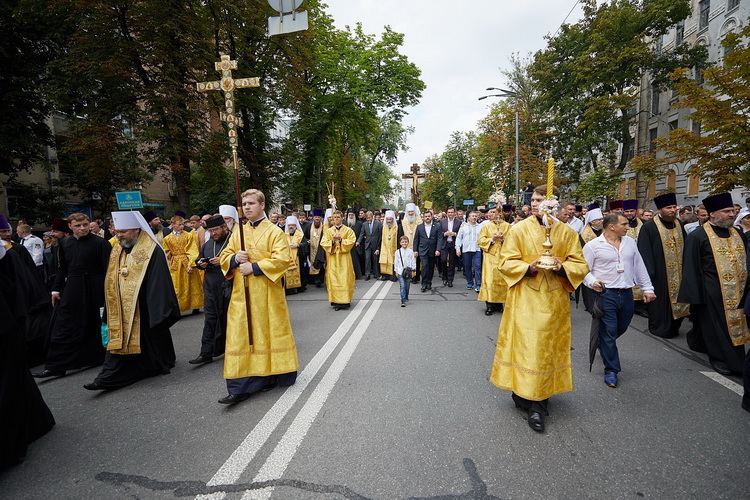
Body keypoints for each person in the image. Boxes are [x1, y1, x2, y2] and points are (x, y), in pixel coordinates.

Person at [490, 186, 589, 432]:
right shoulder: (518, 230)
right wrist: (529, 267)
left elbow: (579, 263)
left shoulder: (566, 233)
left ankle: (539, 405)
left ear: (554, 204)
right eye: (533, 200)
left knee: (545, 350)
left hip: (554, 301)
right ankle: (522, 394)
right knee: (525, 348)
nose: (535, 204)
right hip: (524, 299)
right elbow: (505, 262)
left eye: (540, 200)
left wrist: (561, 266)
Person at [218, 189, 298, 404]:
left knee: (267, 334)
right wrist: (234, 258)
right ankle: (240, 386)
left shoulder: (274, 231)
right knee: (240, 336)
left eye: (251, 203)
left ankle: (270, 375)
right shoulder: (238, 232)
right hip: (241, 296)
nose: (247, 207)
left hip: (267, 295)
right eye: (244, 204)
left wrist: (254, 267)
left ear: (262, 205)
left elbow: (283, 260)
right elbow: (224, 256)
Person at [84, 211, 180, 390]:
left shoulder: (151, 249)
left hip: (144, 303)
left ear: (136, 230)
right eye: (117, 231)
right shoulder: (118, 248)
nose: (119, 235)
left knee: (149, 338)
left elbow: (159, 280)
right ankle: (110, 374)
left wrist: (156, 307)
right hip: (121, 304)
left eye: (124, 232)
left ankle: (119, 373)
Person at [32, 213, 111, 379]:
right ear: (70, 227)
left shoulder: (100, 243)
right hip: (73, 288)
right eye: (78, 225)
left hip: (96, 287)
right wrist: (55, 290)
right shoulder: (65, 243)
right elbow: (62, 269)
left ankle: (95, 357)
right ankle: (56, 366)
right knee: (64, 325)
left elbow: (108, 270)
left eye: (84, 224)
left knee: (94, 323)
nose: (82, 228)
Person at [679, 193, 749, 376]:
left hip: (739, 288)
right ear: (712, 214)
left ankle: (696, 341)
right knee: (718, 327)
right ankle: (724, 360)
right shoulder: (698, 236)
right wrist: (695, 296)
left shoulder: (738, 232)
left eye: (733, 211)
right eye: (726, 211)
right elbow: (691, 267)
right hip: (711, 289)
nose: (731, 214)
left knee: (726, 325)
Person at [583, 213, 656, 387]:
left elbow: (639, 265)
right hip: (605, 294)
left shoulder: (630, 242)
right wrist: (593, 282)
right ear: (611, 226)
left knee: (621, 326)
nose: (628, 227)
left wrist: (648, 288)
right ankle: (611, 370)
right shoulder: (593, 246)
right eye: (624, 224)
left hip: (626, 293)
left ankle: (603, 343)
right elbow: (583, 270)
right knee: (609, 331)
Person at [0, 244, 55, 470]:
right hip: (7, 325)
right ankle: (35, 423)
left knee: (9, 381)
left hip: (4, 328)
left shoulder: (7, 253)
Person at [637, 193, 689, 338]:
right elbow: (644, 252)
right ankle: (659, 328)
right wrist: (650, 274)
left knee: (678, 302)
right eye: (668, 208)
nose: (673, 210)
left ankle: (674, 327)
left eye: (674, 207)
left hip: (679, 273)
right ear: (660, 210)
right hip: (660, 273)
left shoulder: (679, 224)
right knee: (661, 304)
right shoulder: (650, 227)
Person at [191, 215, 232, 365]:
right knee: (210, 319)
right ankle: (206, 352)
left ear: (224, 227)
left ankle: (233, 348)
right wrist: (200, 263)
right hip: (210, 287)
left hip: (229, 286)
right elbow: (198, 259)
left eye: (216, 230)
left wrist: (224, 261)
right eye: (210, 230)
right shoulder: (208, 244)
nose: (213, 233)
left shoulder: (234, 241)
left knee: (229, 319)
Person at [163, 215, 203, 313]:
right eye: (179, 225)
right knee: (177, 286)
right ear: (172, 225)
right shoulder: (167, 239)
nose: (182, 227)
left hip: (187, 261)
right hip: (175, 265)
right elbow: (167, 253)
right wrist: (167, 266)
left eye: (183, 224)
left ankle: (195, 306)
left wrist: (191, 264)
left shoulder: (188, 235)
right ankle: (178, 307)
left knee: (192, 284)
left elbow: (192, 250)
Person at [477, 207, 511, 315]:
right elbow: (480, 241)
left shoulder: (508, 226)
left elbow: (513, 241)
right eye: (490, 212)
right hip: (490, 257)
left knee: (501, 280)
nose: (491, 214)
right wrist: (492, 239)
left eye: (494, 212)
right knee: (490, 280)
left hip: (502, 256)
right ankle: (490, 305)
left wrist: (503, 239)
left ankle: (500, 304)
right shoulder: (486, 226)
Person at [321, 210, 357, 310]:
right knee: (334, 278)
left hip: (344, 258)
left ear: (342, 218)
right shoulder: (329, 231)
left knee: (344, 278)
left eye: (338, 217)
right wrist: (332, 242)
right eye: (334, 217)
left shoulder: (348, 230)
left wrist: (341, 240)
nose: (336, 219)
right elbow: (323, 242)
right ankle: (336, 301)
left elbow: (351, 241)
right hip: (333, 258)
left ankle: (345, 301)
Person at [412, 209, 443, 292]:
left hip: (433, 250)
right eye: (425, 217)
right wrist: (415, 250)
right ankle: (424, 284)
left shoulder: (437, 226)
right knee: (425, 266)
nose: (427, 218)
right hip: (422, 250)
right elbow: (416, 239)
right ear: (423, 218)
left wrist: (438, 249)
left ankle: (429, 282)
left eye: (429, 216)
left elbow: (440, 238)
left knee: (431, 267)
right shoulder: (419, 227)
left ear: (432, 217)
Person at [456, 211, 482, 292]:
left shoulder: (480, 226)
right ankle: (469, 282)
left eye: (475, 216)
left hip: (477, 249)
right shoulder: (463, 227)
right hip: (466, 250)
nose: (474, 217)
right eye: (472, 216)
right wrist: (457, 248)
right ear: (468, 218)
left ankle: (478, 284)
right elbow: (459, 238)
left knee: (477, 267)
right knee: (467, 267)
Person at [283, 215, 308, 294]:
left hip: (298, 256)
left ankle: (299, 287)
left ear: (295, 226)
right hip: (288, 257)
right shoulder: (284, 235)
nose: (291, 227)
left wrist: (297, 245)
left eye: (292, 225)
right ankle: (289, 289)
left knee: (300, 272)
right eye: (289, 225)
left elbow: (305, 244)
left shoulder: (300, 235)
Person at [357, 211, 382, 281]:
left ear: (372, 217)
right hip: (367, 244)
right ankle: (367, 274)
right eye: (367, 218)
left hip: (375, 244)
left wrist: (378, 247)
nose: (368, 219)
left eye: (369, 218)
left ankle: (376, 274)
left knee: (375, 260)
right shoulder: (364, 224)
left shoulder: (378, 224)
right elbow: (362, 233)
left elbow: (380, 236)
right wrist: (358, 241)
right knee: (367, 259)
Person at [304, 209, 326, 288]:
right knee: (311, 262)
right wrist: (307, 241)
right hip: (311, 248)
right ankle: (313, 279)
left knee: (319, 262)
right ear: (313, 217)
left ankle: (319, 279)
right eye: (316, 217)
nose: (317, 218)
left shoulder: (324, 227)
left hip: (320, 249)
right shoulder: (308, 226)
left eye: (318, 217)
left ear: (321, 218)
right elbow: (304, 237)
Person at [439, 207, 460, 287]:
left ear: (454, 213)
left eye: (452, 212)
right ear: (447, 213)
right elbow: (439, 233)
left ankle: (450, 279)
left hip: (453, 243)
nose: (450, 214)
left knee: (452, 262)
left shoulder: (459, 222)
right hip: (445, 243)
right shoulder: (442, 222)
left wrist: (455, 234)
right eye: (449, 212)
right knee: (443, 260)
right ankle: (444, 276)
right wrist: (445, 234)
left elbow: (461, 233)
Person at [400, 203, 421, 283]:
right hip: (407, 244)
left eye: (412, 212)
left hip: (417, 243)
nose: (411, 213)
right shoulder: (404, 221)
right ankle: (408, 275)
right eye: (409, 212)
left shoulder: (419, 220)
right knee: (408, 261)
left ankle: (416, 277)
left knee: (416, 261)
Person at [393, 236, 416, 307]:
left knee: (407, 285)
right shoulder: (397, 252)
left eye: (406, 242)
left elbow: (412, 261)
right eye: (403, 242)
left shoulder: (410, 251)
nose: (404, 243)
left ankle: (406, 295)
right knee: (402, 285)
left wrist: (413, 270)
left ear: (408, 242)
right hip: (400, 271)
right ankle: (403, 300)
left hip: (408, 271)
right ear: (400, 243)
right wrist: (396, 271)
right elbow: (396, 262)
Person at [379, 210, 399, 281]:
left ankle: (392, 275)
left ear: (393, 219)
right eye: (387, 219)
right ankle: (385, 275)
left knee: (392, 261)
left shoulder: (397, 227)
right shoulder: (383, 227)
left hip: (393, 248)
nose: (389, 221)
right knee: (384, 261)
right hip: (384, 247)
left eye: (390, 219)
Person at [345, 209, 363, 279]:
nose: (351, 216)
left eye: (352, 215)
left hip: (355, 245)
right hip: (346, 245)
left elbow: (361, 234)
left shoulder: (359, 224)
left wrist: (358, 241)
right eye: (349, 215)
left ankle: (357, 274)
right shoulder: (344, 223)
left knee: (355, 260)